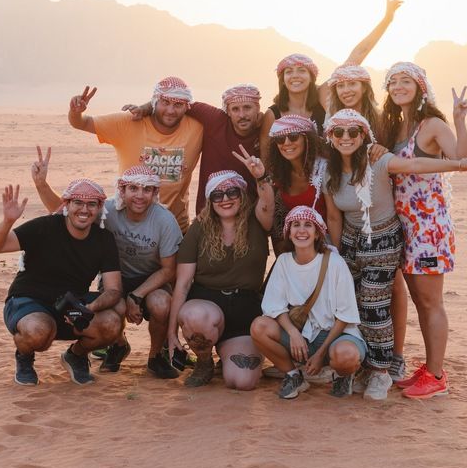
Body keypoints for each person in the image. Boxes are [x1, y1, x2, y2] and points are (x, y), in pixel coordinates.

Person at [321, 109, 467, 400]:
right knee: (354, 305)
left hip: (383, 240)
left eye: (352, 132)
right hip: (350, 241)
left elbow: (416, 164)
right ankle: (361, 367)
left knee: (375, 305)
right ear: (331, 138)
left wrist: (460, 164)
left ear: (363, 137)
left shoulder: (379, 162)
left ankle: (381, 372)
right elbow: (334, 218)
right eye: (338, 133)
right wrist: (338, 256)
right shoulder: (330, 173)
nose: (345, 138)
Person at [31, 152, 183, 379]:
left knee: (161, 304)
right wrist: (42, 185)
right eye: (133, 189)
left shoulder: (165, 220)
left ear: (154, 193)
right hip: (115, 278)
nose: (140, 196)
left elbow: (169, 269)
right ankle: (117, 345)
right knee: (116, 307)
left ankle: (155, 357)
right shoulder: (109, 210)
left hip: (151, 280)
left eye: (147, 190)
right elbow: (67, 213)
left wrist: (138, 295)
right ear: (122, 190)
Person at [379, 62, 467, 399]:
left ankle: (435, 376)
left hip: (429, 229)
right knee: (419, 300)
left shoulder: (432, 124)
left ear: (420, 87)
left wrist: (459, 121)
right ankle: (430, 368)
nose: (399, 86)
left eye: (406, 81)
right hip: (403, 227)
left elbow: (462, 158)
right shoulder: (395, 127)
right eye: (393, 82)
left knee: (432, 303)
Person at [0, 180, 123, 386]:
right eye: (78, 202)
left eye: (91, 204)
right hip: (30, 300)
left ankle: (76, 355)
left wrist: (88, 309)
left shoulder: (103, 239)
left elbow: (113, 289)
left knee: (113, 322)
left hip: (71, 304)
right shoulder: (45, 226)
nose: (84, 210)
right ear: (66, 205)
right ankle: (24, 358)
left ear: (99, 208)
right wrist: (7, 222)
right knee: (39, 331)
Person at [324, 62, 408, 382]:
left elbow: (397, 161)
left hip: (382, 215)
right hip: (348, 217)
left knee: (389, 289)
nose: (347, 90)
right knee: (355, 295)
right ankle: (361, 358)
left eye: (353, 84)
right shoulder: (332, 117)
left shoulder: (380, 120)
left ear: (365, 87)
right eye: (341, 85)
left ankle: (392, 358)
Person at [167, 154, 275, 390]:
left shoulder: (257, 222)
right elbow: (183, 284)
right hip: (207, 303)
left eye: (232, 193)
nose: (225, 199)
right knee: (196, 317)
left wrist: (261, 176)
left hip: (245, 308)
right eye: (217, 195)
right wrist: (171, 332)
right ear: (210, 200)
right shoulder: (199, 229)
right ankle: (204, 361)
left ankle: (227, 355)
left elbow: (267, 203)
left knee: (242, 381)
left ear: (242, 195)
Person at [258, 0, 404, 160]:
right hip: (294, 181)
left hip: (330, 174)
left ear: (312, 76)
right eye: (288, 72)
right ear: (282, 79)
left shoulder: (324, 93)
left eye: (302, 71)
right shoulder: (273, 113)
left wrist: (386, 20)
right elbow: (265, 152)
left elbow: (357, 55)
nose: (295, 76)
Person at [251, 206, 367, 400]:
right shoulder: (283, 262)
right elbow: (273, 306)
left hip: (333, 335)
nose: (301, 230)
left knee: (346, 356)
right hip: (303, 336)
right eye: (296, 225)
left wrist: (321, 353)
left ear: (317, 234)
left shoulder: (335, 263)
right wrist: (293, 333)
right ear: (289, 232)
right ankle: (293, 375)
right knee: (259, 327)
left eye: (308, 225)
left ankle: (342, 375)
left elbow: (345, 316)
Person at [67, 77, 203, 233]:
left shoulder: (197, 128)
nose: (171, 111)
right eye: (165, 103)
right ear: (155, 102)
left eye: (178, 105)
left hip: (175, 227)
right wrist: (75, 112)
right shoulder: (128, 123)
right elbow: (82, 123)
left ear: (186, 106)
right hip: (127, 228)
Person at [124, 83, 264, 215]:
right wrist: (144, 109)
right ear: (227, 111)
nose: (242, 115)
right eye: (235, 109)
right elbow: (178, 101)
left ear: (258, 108)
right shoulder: (215, 120)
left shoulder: (266, 132)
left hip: (249, 215)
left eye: (247, 107)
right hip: (208, 215)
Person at [263, 114, 328, 256]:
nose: (286, 143)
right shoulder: (279, 175)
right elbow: (274, 221)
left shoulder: (322, 169)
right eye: (280, 139)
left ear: (307, 139)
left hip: (326, 244)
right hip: (297, 247)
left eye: (293, 136)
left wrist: (333, 254)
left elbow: (335, 217)